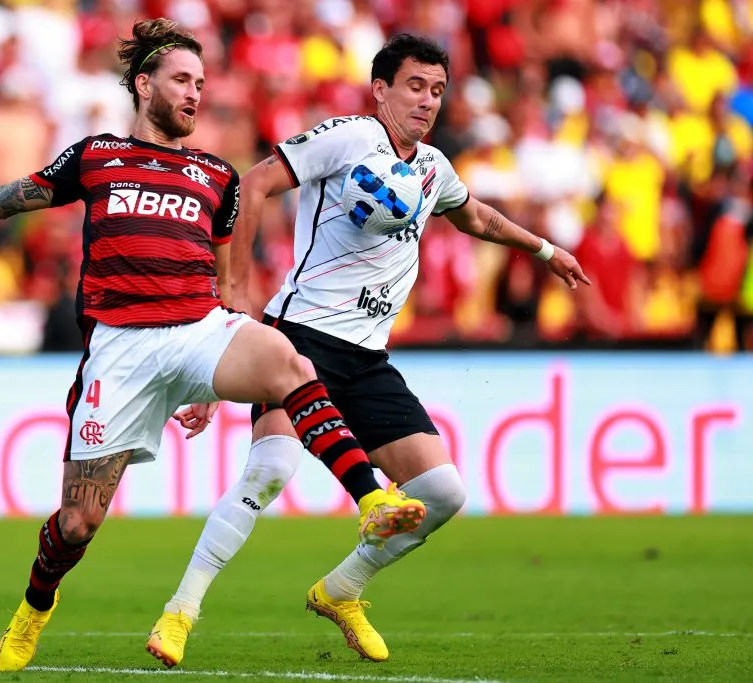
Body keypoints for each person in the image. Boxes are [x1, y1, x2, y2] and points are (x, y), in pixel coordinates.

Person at [0, 19, 429, 673]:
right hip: (120, 349)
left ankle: (372, 499)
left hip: (196, 331)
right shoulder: (96, 155)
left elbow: (226, 284)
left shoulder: (217, 176)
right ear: (143, 85)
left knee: (286, 360)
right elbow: (7, 198)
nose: (194, 93)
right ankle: (35, 606)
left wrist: (215, 377)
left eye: (201, 83)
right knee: (77, 524)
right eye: (181, 80)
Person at [148, 34, 591, 666]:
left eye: (437, 90)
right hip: (299, 338)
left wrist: (545, 251)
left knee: (442, 494)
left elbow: (476, 218)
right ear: (380, 89)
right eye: (415, 86)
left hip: (367, 358)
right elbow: (252, 184)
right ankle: (180, 611)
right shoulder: (349, 137)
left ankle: (342, 589)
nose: (427, 101)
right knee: (269, 472)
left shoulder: (433, 168)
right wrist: (236, 299)